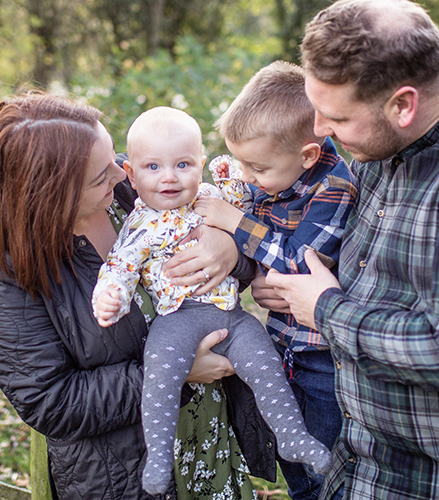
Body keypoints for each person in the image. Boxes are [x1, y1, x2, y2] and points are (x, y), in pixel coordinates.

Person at [0, 92, 276, 499]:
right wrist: (174, 372)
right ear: (51, 194)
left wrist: (230, 251)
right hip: (123, 474)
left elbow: (219, 276)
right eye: (102, 176)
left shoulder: (131, 189)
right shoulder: (11, 267)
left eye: (115, 162)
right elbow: (48, 401)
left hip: (209, 440)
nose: (120, 174)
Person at [91, 106, 332, 496]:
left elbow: (242, 194)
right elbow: (120, 268)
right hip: (178, 319)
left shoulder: (210, 198)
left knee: (264, 363)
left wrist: (231, 205)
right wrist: (112, 298)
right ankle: (158, 456)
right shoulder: (139, 223)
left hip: (231, 316)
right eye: (153, 168)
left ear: (199, 166)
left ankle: (292, 436)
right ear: (132, 176)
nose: (169, 177)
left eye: (183, 164)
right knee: (161, 371)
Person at [258, 1, 439, 498]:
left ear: (402, 105)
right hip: (349, 461)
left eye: (335, 115)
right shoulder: (370, 149)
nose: (318, 129)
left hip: (413, 480)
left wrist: (323, 309)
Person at [193, 61, 357, 500]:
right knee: (289, 449)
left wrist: (235, 222)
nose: (247, 177)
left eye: (257, 168)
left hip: (322, 357)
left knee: (324, 463)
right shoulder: (267, 177)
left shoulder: (334, 187)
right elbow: (256, 254)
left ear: (306, 155)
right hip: (281, 342)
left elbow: (299, 263)